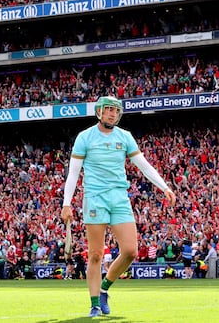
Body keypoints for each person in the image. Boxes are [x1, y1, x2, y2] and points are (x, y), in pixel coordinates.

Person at [61, 96, 176, 318]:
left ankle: (105, 288)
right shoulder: (84, 137)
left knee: (131, 251)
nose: (113, 114)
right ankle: (94, 304)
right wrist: (66, 203)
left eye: (116, 110)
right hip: (94, 198)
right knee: (95, 254)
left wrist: (164, 187)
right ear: (99, 112)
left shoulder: (125, 137)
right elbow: (73, 173)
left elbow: (144, 165)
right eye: (109, 110)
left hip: (119, 198)